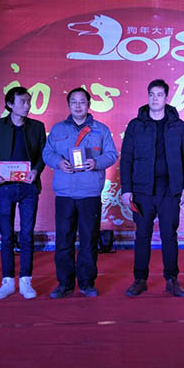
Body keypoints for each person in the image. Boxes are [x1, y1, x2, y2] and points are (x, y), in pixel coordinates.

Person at [42, 87, 117, 298]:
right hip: (64, 193)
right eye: (74, 102)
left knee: (89, 240)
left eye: (82, 101)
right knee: (63, 241)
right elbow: (47, 153)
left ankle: (86, 283)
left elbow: (112, 154)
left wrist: (96, 162)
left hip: (89, 193)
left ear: (89, 105)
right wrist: (58, 162)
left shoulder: (101, 130)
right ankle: (64, 283)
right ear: (68, 105)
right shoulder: (57, 129)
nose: (78, 105)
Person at [120, 79, 184, 297]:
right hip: (142, 190)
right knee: (142, 235)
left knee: (169, 235)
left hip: (169, 189)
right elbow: (127, 158)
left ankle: (172, 279)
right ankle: (140, 279)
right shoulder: (136, 125)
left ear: (166, 98)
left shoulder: (178, 125)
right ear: (148, 96)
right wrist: (126, 189)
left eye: (159, 95)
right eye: (152, 94)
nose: (155, 98)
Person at [0, 86, 46, 300]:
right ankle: (7, 281)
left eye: (28, 101)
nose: (27, 105)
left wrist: (36, 170)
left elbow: (43, 155)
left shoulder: (37, 127)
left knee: (27, 235)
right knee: (7, 235)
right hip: (4, 187)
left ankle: (26, 280)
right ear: (10, 104)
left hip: (28, 187)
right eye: (22, 102)